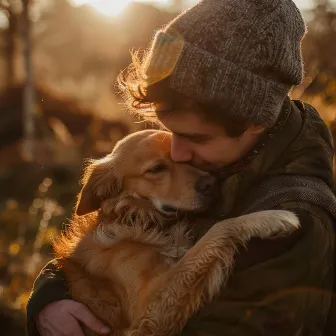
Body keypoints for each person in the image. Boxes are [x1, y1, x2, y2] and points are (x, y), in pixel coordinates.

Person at [27, 0, 336, 335]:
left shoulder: (295, 222)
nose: (178, 153)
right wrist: (49, 297)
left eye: (195, 138)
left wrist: (225, 236)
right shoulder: (221, 164)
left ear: (255, 122)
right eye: (169, 132)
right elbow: (101, 259)